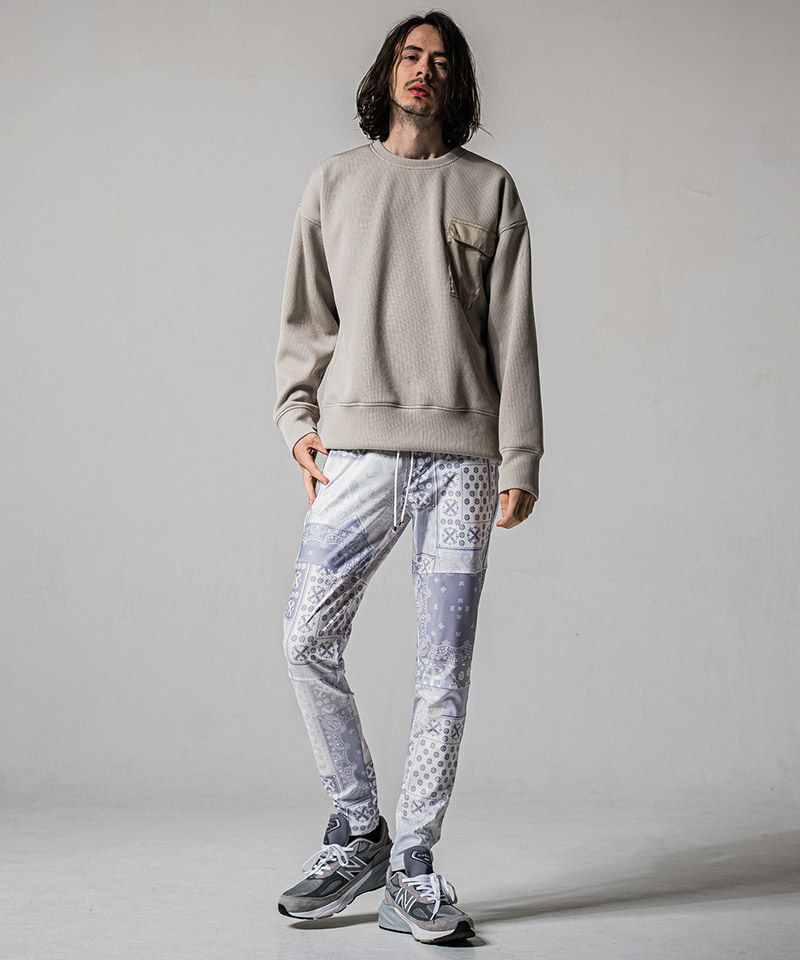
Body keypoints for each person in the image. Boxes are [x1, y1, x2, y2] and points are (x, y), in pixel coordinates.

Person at [272, 10, 543, 945]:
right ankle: (360, 828)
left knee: (443, 671)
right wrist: (296, 420)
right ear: (388, 71)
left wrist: (522, 454)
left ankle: (414, 864)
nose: (423, 70)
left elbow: (513, 334)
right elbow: (305, 319)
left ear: (457, 81)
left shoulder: (489, 189)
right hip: (356, 452)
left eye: (440, 60)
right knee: (306, 638)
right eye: (409, 55)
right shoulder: (335, 183)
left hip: (464, 465)